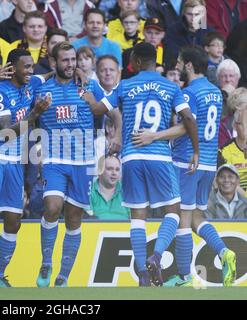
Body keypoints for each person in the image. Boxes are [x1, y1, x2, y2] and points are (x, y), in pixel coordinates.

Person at [133, 45, 236, 287]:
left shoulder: (189, 93)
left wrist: (154, 136)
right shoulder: (214, 92)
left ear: (189, 65)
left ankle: (170, 266)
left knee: (179, 215)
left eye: (179, 61)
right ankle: (222, 253)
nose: (176, 65)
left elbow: (185, 126)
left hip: (186, 161)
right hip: (209, 163)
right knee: (194, 216)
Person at [110, 42, 199, 287]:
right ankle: (156, 255)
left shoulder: (125, 85)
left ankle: (142, 274)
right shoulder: (171, 87)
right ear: (154, 60)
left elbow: (103, 108)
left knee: (138, 216)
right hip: (159, 155)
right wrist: (196, 151)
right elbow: (188, 119)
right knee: (174, 211)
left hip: (131, 155)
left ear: (137, 61)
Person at [33, 41, 117, 287]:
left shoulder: (89, 86)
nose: (71, 65)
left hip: (83, 161)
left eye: (74, 60)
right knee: (51, 206)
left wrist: (117, 134)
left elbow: (113, 111)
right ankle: (46, 261)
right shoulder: (42, 88)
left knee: (73, 217)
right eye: (65, 60)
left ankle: (63, 276)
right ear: (53, 63)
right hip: (54, 159)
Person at [0, 49, 51, 288]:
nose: (30, 71)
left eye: (32, 66)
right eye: (25, 67)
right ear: (12, 68)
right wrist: (36, 112)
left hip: (15, 161)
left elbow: (48, 75)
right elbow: (7, 132)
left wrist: (75, 72)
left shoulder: (31, 84)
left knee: (13, 219)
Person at [88, 154, 130, 220]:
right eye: (110, 169)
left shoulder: (128, 192)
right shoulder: (89, 191)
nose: (114, 173)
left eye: (117, 169)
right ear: (99, 171)